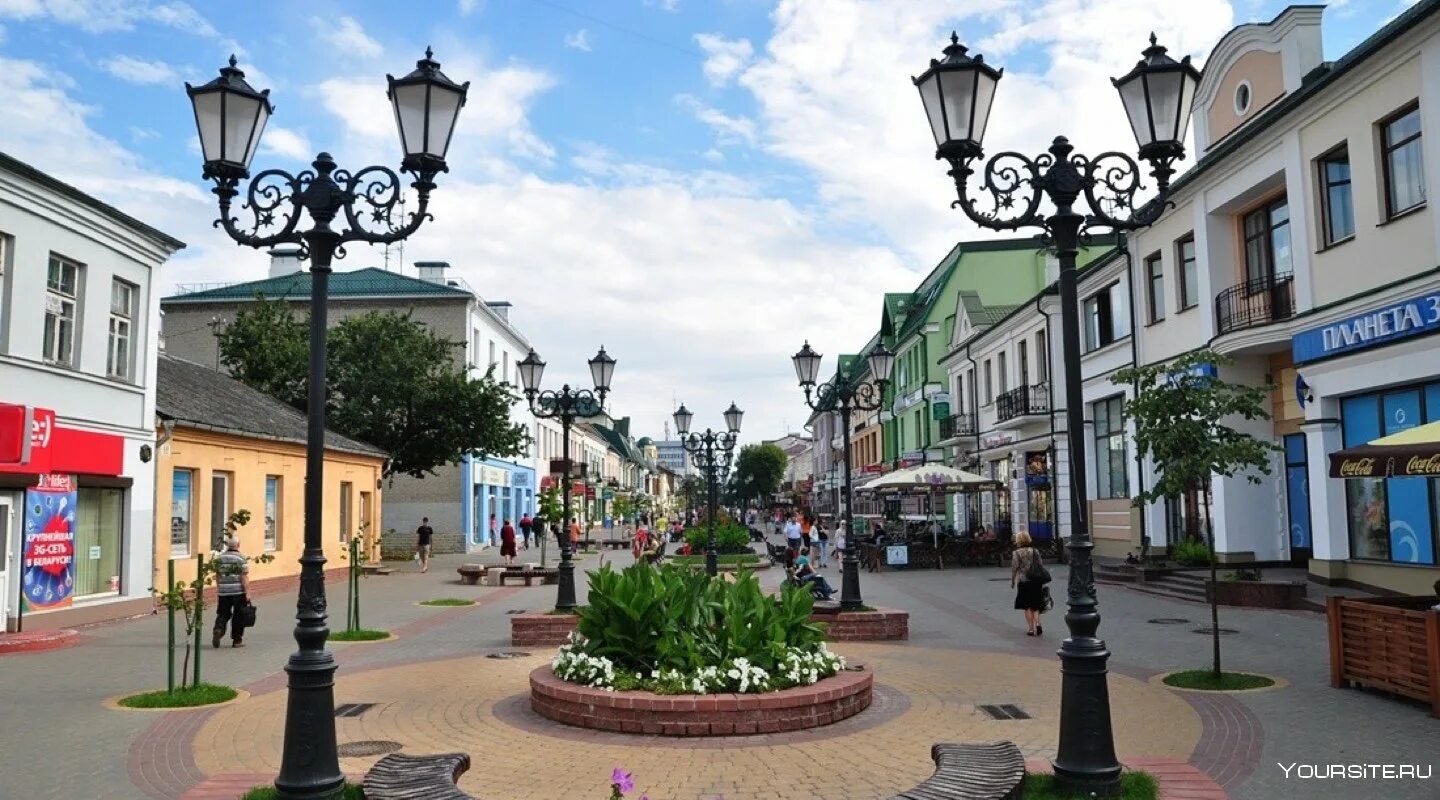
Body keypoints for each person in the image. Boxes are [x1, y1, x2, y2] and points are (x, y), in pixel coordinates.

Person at [212, 535, 251, 649]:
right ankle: (237, 640)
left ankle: (218, 629)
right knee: (239, 615)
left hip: (224, 591)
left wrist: (219, 588)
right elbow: (243, 577)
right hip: (238, 591)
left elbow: (218, 575)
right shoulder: (241, 558)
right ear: (238, 545)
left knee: (223, 613)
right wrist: (247, 592)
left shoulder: (220, 558)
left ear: (227, 545)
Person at [1010, 531, 1047, 636]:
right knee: (1036, 605)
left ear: (1019, 540)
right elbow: (1040, 565)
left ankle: (1031, 629)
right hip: (1036, 581)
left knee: (1027, 606)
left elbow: (1014, 568)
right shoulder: (1035, 551)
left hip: (1024, 581)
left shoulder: (1017, 553)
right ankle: (1038, 624)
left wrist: (1013, 581)